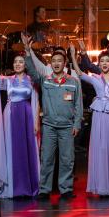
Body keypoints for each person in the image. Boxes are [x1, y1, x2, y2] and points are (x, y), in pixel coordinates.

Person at [24, 37, 83, 199]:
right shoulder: (45, 80)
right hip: (49, 126)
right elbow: (32, 72)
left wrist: (76, 124)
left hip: (67, 127)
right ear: (51, 64)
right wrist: (28, 52)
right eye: (54, 61)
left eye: (59, 61)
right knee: (47, 159)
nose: (56, 63)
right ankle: (44, 190)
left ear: (65, 63)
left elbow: (78, 105)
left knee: (67, 160)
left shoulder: (73, 82)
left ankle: (66, 189)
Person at [69, 47, 109, 196]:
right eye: (102, 61)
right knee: (100, 148)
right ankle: (101, 185)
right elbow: (79, 73)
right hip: (98, 116)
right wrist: (73, 55)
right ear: (99, 63)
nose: (104, 63)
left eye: (107, 61)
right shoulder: (95, 78)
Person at [0, 45, 39, 199]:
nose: (17, 64)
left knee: (26, 148)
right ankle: (12, 187)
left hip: (26, 115)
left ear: (25, 65)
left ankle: (28, 186)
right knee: (11, 148)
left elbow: (37, 101)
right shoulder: (8, 80)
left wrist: (36, 122)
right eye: (15, 62)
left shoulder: (31, 80)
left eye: (21, 62)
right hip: (11, 115)